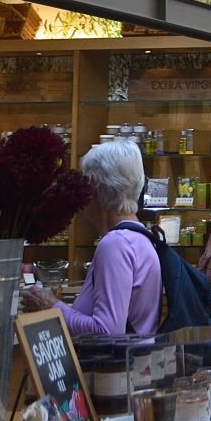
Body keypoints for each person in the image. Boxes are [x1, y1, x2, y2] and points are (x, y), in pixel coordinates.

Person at [20, 139, 159, 335]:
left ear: (92, 184)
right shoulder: (141, 237)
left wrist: (52, 306)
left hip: (115, 365)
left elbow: (107, 331)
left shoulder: (115, 244)